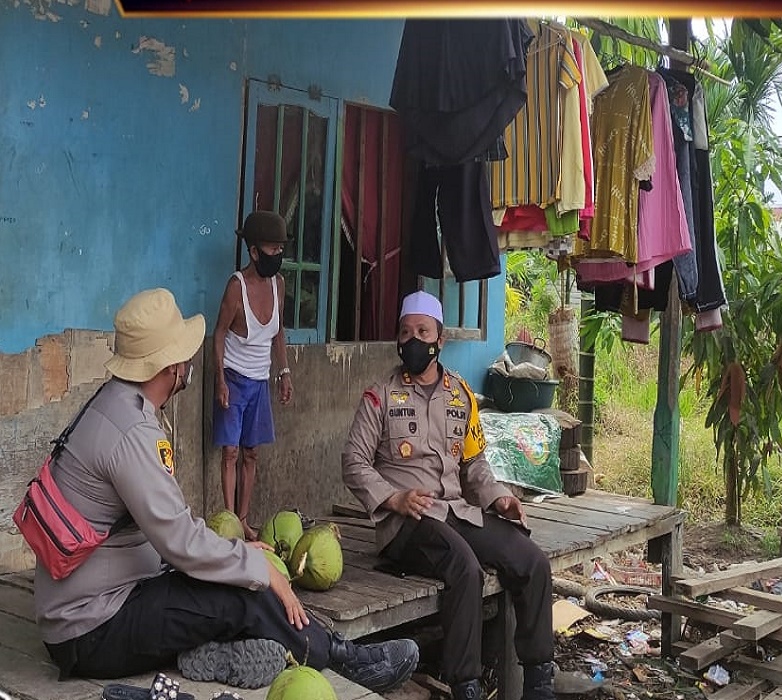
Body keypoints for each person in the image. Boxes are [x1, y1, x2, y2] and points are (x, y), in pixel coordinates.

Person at [35, 287, 418, 691]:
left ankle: (231, 652)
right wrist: (258, 571)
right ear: (170, 367)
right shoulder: (131, 433)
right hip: (90, 630)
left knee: (231, 573)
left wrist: (236, 554)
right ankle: (343, 659)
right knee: (242, 593)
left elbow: (168, 526)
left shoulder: (110, 402)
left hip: (89, 608)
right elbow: (181, 543)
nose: (188, 363)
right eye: (183, 355)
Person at [342, 291, 554, 700]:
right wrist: (393, 499)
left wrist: (498, 498)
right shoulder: (379, 396)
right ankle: (466, 686)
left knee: (531, 560)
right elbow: (354, 463)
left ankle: (539, 683)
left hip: (457, 512)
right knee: (465, 567)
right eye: (405, 332)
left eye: (423, 331)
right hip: (408, 523)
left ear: (439, 340)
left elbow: (474, 465)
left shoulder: (461, 395)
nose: (413, 340)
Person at [213, 210, 293, 540]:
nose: (278, 256)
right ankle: (229, 520)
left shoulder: (279, 285)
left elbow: (278, 333)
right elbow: (219, 333)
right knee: (230, 452)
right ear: (254, 252)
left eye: (280, 249)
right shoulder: (237, 287)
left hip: (260, 382)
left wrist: (284, 372)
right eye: (272, 250)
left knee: (251, 453)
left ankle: (243, 520)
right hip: (233, 378)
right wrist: (219, 379)